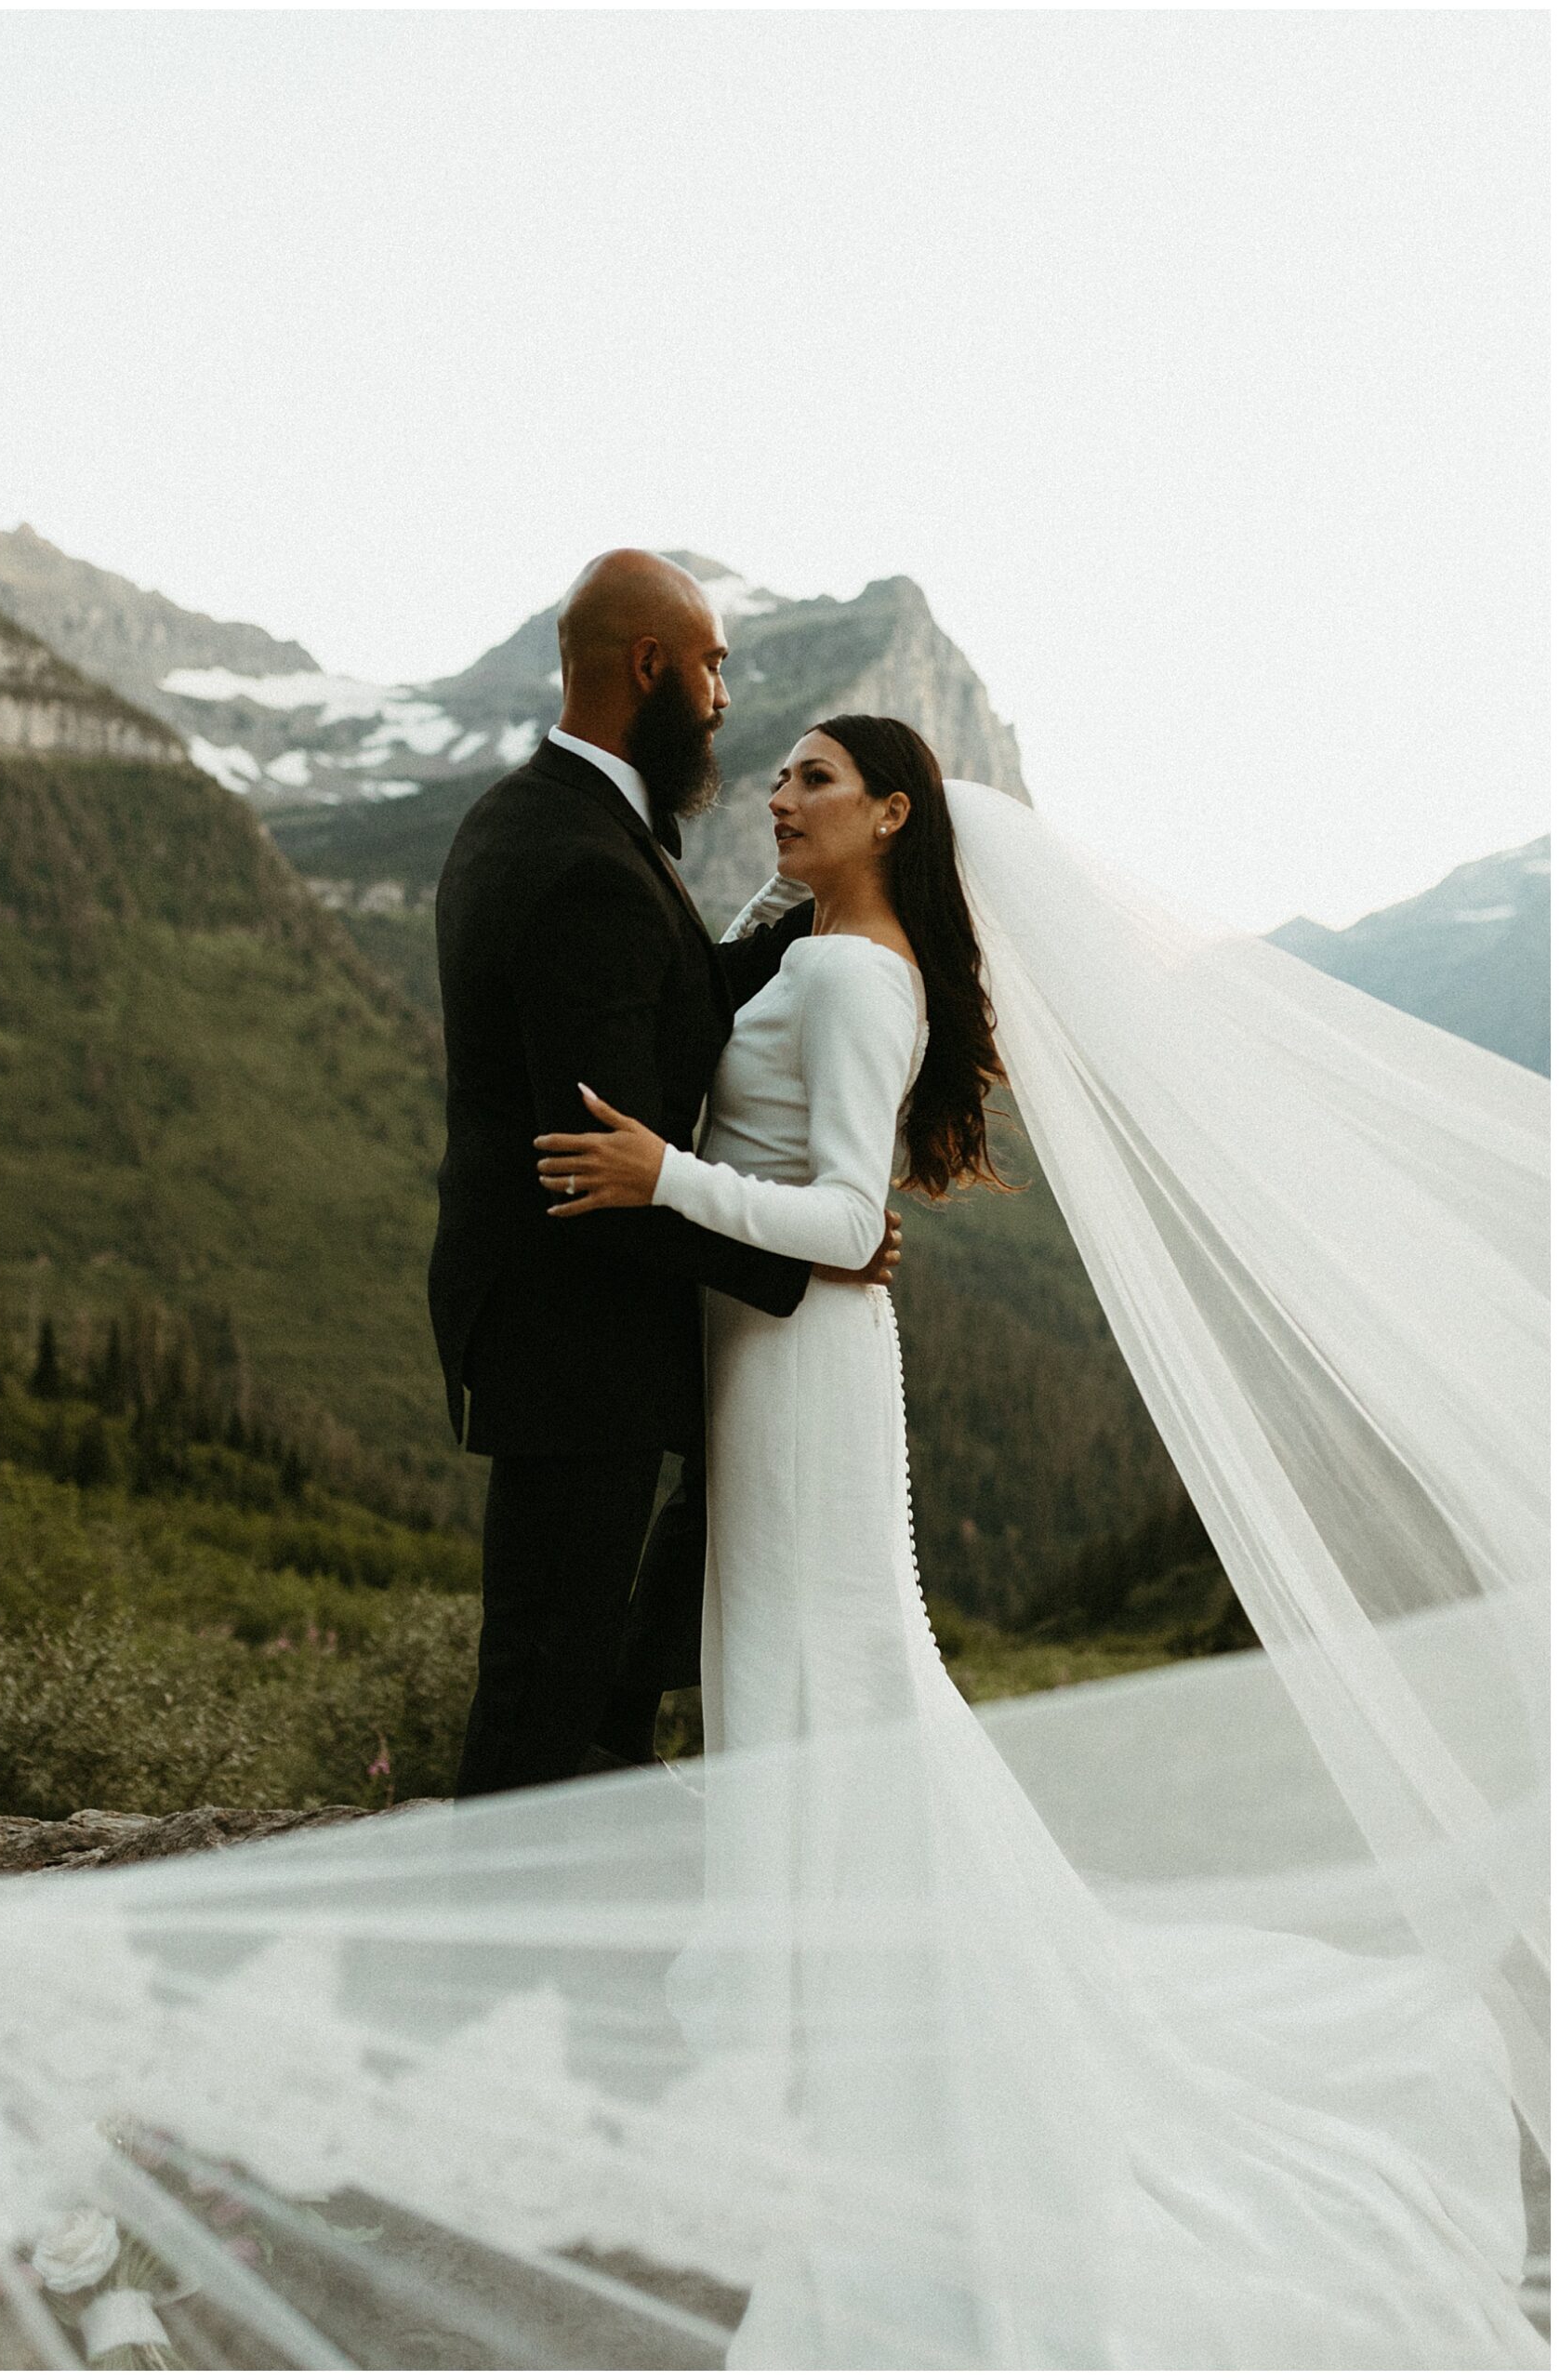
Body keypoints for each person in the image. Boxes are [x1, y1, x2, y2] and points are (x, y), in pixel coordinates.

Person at [535, 714, 1547, 2367]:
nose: (780, 796)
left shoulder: (865, 978)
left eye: (813, 779)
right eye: (779, 774)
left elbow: (847, 1220)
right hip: (767, 1372)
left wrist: (664, 1179)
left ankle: (862, 2040)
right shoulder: (818, 946)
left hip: (803, 1376)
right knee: (813, 1682)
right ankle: (830, 2015)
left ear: (893, 814)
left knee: (834, 1679)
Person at [427, 551, 896, 1798]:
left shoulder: (526, 817)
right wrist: (811, 1246)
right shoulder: (585, 862)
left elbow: (666, 1008)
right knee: (544, 1698)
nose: (726, 693)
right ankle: (488, 1961)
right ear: (653, 668)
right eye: (713, 663)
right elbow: (604, 1170)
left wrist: (827, 911)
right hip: (578, 1343)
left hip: (548, 1335)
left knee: (586, 1682)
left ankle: (570, 1942)